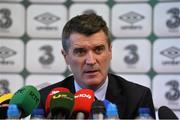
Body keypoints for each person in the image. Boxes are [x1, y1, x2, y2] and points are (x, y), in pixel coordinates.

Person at [38, 13, 156, 119]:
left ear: (110, 51)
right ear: (66, 57)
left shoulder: (137, 98)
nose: (91, 61)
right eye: (80, 51)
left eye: (98, 49)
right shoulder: (45, 99)